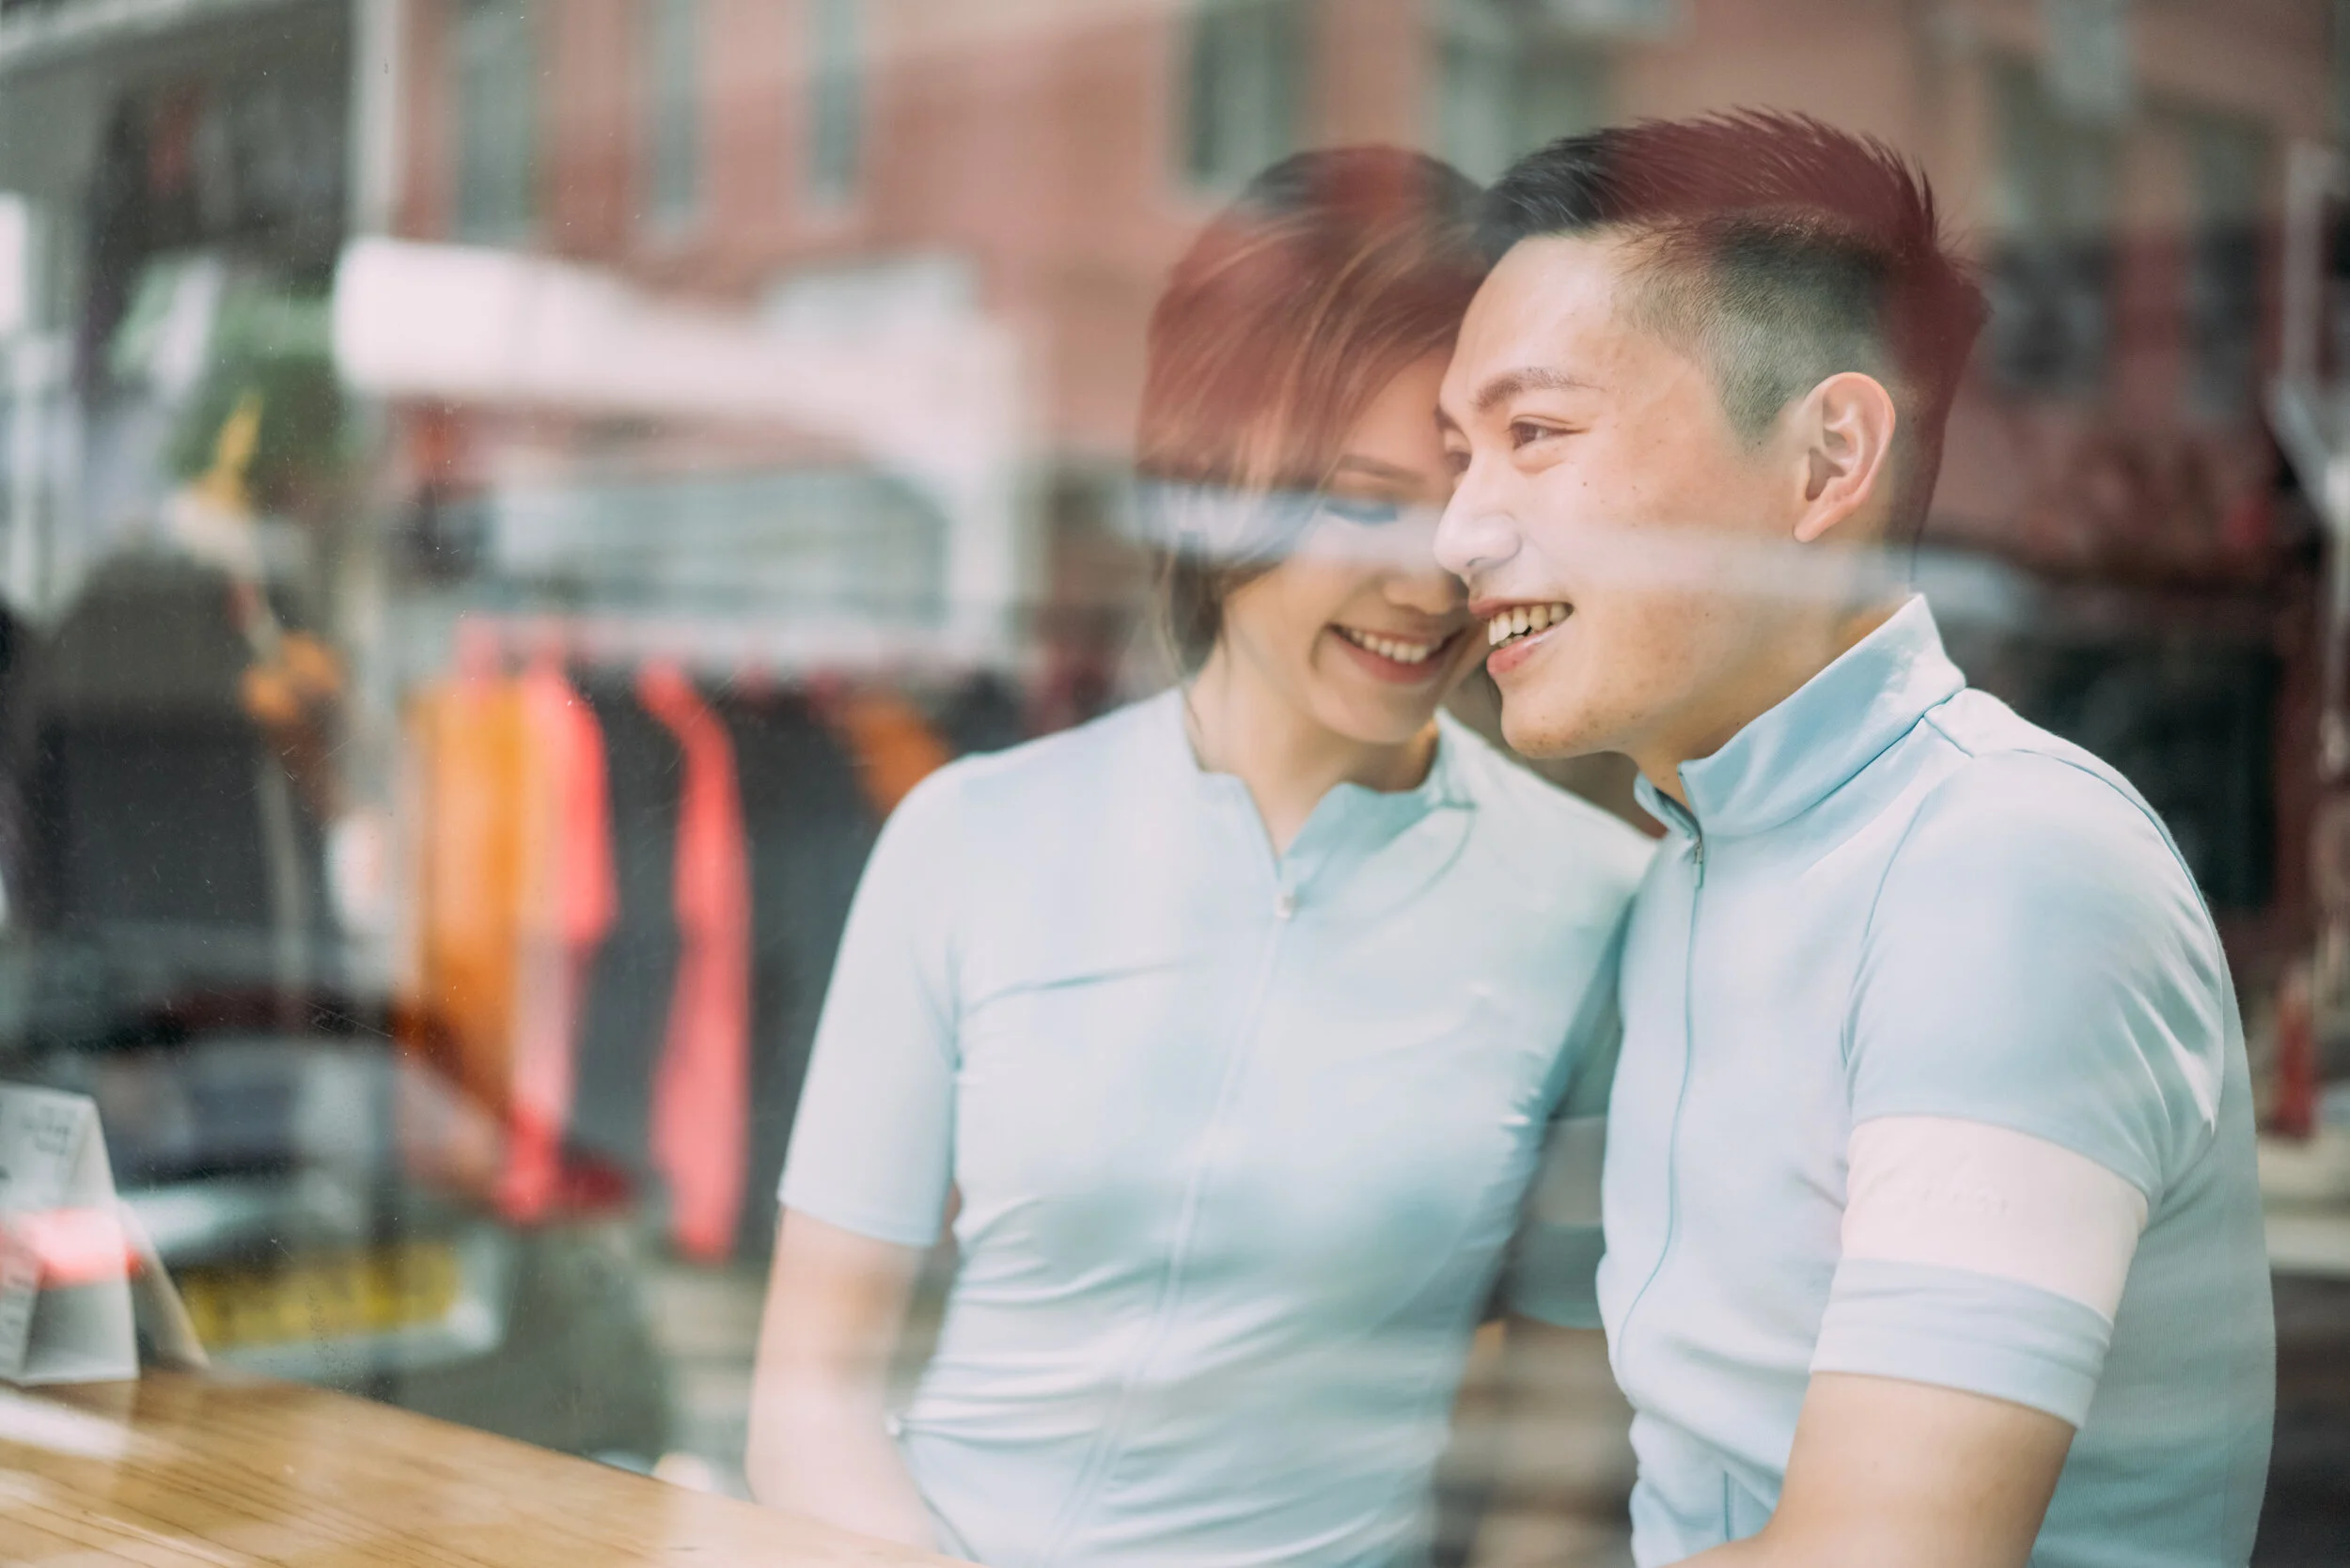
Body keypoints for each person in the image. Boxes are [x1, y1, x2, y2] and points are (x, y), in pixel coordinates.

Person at [744, 148, 1653, 1567]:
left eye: (1468, 499)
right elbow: (808, 1394)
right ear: (1213, 481)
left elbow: (1553, 1451)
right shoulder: (970, 841)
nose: (1429, 579)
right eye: (1354, 501)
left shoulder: (1597, 906)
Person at [1434, 110, 2275, 1568]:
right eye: (1460, 454)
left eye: (1537, 436)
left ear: (1830, 457)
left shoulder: (2004, 871)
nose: (1458, 531)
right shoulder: (1700, 861)